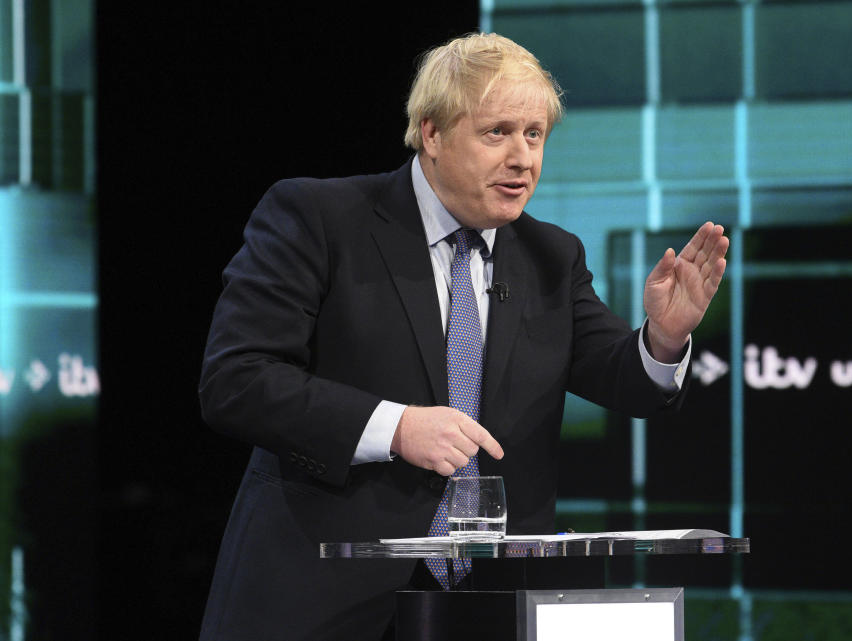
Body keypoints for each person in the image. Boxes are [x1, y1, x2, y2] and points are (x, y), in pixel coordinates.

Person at [198, 32, 728, 641]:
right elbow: (236, 380)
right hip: (322, 603)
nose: (522, 158)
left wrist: (662, 338)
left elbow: (625, 381)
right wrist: (395, 427)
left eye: (535, 135)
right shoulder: (319, 219)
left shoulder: (551, 255)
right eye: (496, 132)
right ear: (432, 134)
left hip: (488, 610)